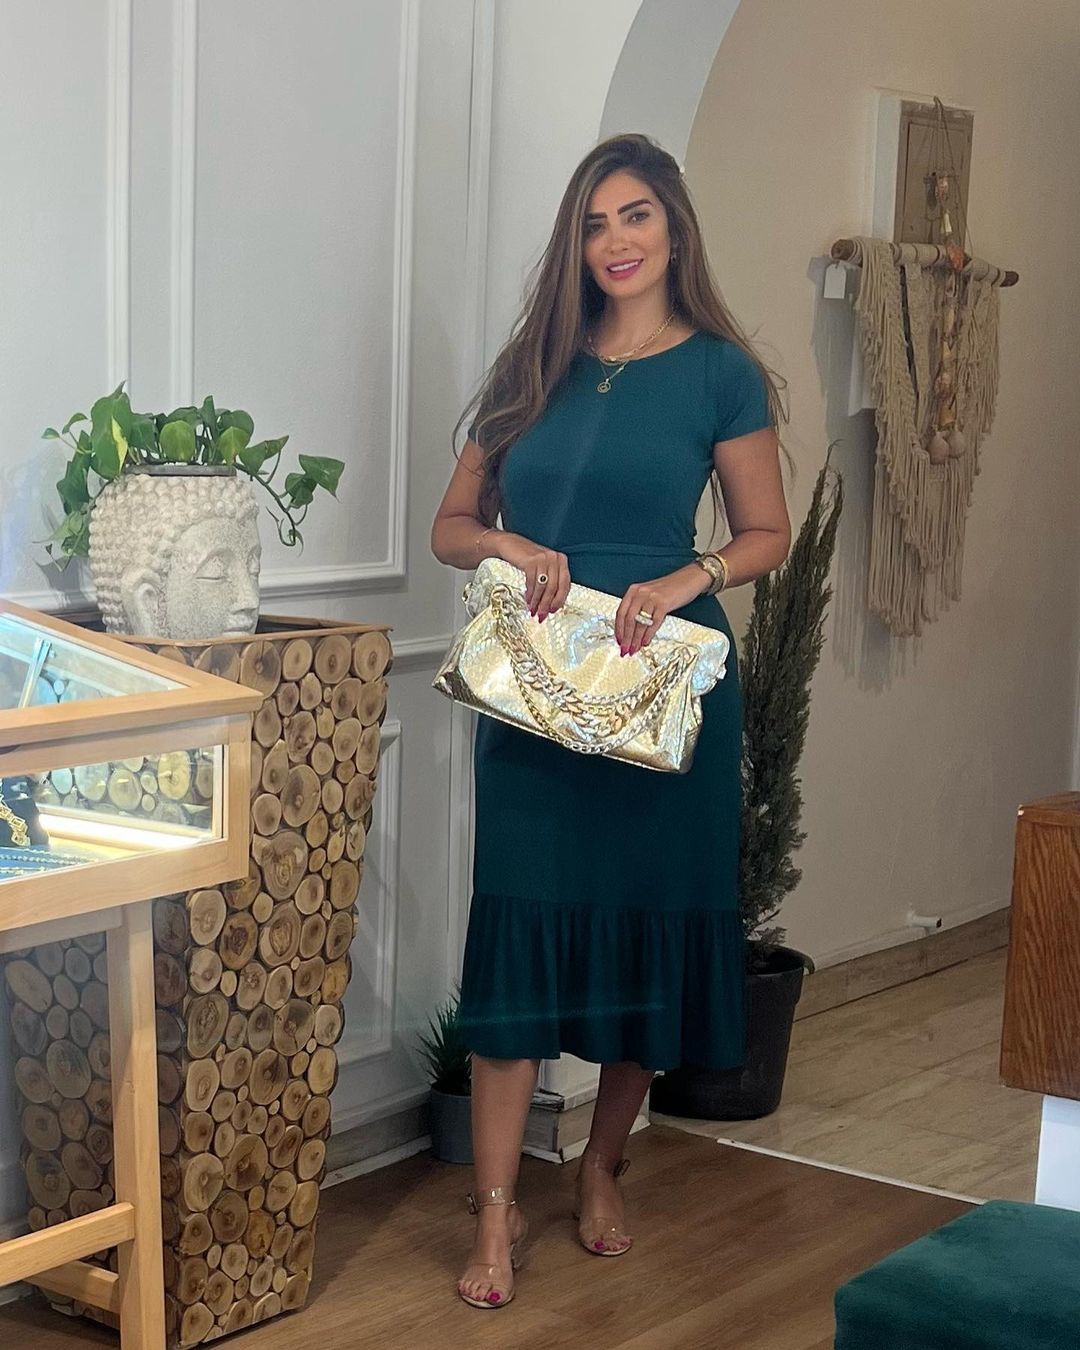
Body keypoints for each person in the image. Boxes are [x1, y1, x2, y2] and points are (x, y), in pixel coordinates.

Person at [430, 132, 792, 1311]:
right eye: (594, 223)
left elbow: (766, 532)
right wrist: (512, 543)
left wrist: (690, 578)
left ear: (674, 227)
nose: (617, 241)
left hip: (659, 686)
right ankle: (495, 1214)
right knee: (517, 934)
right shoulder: (530, 368)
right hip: (535, 694)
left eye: (636, 215)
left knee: (647, 928)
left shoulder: (722, 372)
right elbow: (450, 528)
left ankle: (599, 1168)